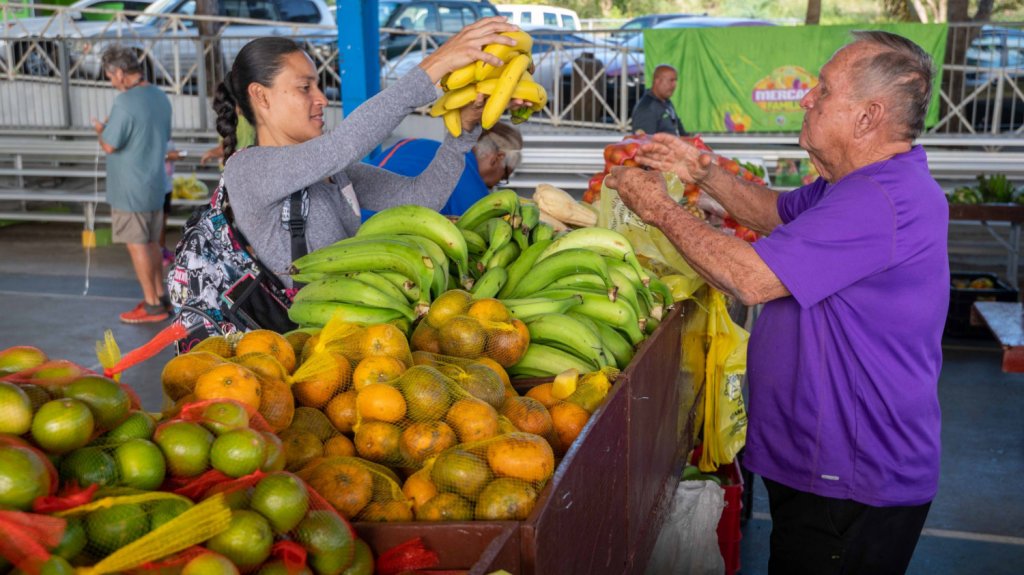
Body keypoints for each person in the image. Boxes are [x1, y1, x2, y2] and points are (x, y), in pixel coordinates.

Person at [606, 31, 946, 574]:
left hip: (851, 473)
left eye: (824, 90)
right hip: (825, 460)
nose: (807, 98)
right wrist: (703, 172)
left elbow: (750, 279)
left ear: (868, 117)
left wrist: (658, 207)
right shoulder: (855, 184)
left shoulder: (879, 199)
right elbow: (772, 211)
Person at [190, 18, 520, 289]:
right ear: (261, 96)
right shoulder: (249, 169)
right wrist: (436, 65)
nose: (321, 99)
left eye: (319, 86)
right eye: (305, 88)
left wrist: (462, 134)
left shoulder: (333, 175)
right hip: (291, 344)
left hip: (348, 336)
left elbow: (420, 197)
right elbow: (344, 145)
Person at [92, 45, 173, 323]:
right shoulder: (160, 96)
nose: (112, 82)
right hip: (155, 183)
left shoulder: (124, 102)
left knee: (137, 245)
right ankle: (160, 296)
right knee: (152, 243)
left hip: (130, 187)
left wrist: (101, 131)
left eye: (110, 77)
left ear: (120, 73)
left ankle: (152, 305)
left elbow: (110, 145)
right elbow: (161, 136)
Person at [363, 121, 523, 219]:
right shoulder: (474, 196)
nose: (498, 182)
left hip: (349, 212)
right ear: (497, 158)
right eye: (505, 175)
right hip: (371, 242)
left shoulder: (412, 143)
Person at [630, 64, 686, 136]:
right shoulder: (647, 108)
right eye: (671, 80)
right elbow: (644, 141)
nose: (674, 85)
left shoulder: (667, 102)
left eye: (675, 81)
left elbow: (680, 131)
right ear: (657, 81)